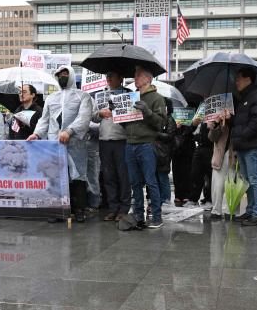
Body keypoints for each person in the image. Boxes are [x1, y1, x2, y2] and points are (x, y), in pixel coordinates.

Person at [28, 66, 93, 222]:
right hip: (54, 143)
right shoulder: (51, 98)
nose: (62, 77)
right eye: (59, 75)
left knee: (78, 176)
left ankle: (79, 209)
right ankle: (58, 210)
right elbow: (45, 119)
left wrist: (69, 131)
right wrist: (36, 134)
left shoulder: (83, 96)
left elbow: (84, 118)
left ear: (71, 75)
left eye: (65, 74)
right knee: (56, 176)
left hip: (75, 143)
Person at [123, 66, 167, 229]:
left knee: (150, 181)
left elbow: (161, 124)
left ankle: (156, 216)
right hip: (130, 143)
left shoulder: (157, 98)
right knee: (135, 183)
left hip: (147, 144)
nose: (135, 77)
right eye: (135, 75)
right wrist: (117, 114)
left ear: (148, 79)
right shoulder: (131, 97)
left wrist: (147, 112)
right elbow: (126, 123)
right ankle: (138, 214)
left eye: (139, 75)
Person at [230, 67, 257, 226]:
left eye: (239, 77)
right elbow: (241, 122)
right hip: (243, 145)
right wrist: (230, 118)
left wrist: (244, 135)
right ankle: (251, 210)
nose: (236, 81)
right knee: (246, 181)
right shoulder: (244, 97)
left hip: (252, 145)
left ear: (248, 79)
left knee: (255, 179)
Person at [92, 71, 130, 221]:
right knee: (108, 176)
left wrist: (119, 109)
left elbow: (133, 116)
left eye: (112, 76)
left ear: (121, 78)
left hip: (122, 139)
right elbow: (93, 116)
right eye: (107, 76)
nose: (108, 79)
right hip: (104, 140)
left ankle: (124, 208)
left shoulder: (128, 94)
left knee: (123, 176)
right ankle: (113, 208)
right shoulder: (100, 95)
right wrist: (100, 114)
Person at [208, 109, 233, 220]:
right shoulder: (215, 113)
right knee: (217, 184)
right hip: (220, 154)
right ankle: (216, 210)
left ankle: (231, 211)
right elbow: (211, 137)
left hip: (234, 153)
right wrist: (218, 123)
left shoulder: (239, 108)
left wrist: (231, 119)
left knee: (233, 183)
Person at [184, 117, 213, 209]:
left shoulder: (214, 114)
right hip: (199, 147)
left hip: (210, 148)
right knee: (195, 174)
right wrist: (193, 125)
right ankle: (193, 199)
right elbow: (188, 134)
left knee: (209, 176)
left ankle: (209, 199)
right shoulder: (198, 114)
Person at [171, 110, 196, 207]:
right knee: (177, 172)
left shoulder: (190, 112)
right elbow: (171, 132)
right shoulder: (175, 113)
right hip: (176, 149)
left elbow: (192, 131)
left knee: (187, 172)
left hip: (188, 149)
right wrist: (177, 127)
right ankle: (178, 195)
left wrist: (187, 127)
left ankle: (187, 194)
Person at [156, 98, 177, 205]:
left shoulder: (169, 119)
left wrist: (156, 134)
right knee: (157, 176)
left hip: (164, 153)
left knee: (163, 176)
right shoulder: (158, 119)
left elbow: (170, 136)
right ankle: (160, 199)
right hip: (156, 152)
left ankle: (166, 199)